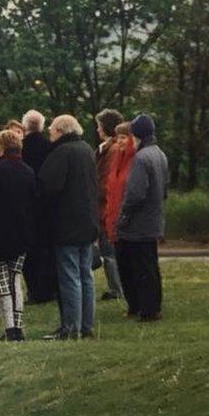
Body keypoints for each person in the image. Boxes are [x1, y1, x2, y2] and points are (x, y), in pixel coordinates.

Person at [38, 115, 100, 340]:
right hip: (88, 221)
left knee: (69, 276)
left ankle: (71, 327)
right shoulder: (86, 149)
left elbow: (49, 187)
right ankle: (86, 326)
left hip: (67, 223)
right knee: (86, 276)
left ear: (61, 131)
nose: (50, 135)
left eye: (52, 131)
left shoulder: (62, 153)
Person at [0, 130, 36, 341]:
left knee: (1, 282)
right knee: (15, 279)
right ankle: (19, 326)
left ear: (0, 148)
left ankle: (9, 328)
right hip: (22, 234)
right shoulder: (28, 172)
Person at [116, 114, 169, 322]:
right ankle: (153, 306)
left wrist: (125, 215)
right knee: (150, 265)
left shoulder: (141, 157)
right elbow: (164, 188)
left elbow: (135, 193)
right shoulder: (159, 154)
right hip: (154, 219)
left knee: (138, 267)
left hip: (138, 224)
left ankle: (146, 309)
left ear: (136, 135)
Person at [20, 109, 58, 305]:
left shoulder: (21, 147)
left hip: (27, 205)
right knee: (46, 249)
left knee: (30, 252)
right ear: (42, 126)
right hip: (46, 205)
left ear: (25, 125)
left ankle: (34, 290)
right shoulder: (49, 147)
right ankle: (48, 289)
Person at [94, 109, 127, 301]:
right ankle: (116, 287)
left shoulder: (111, 150)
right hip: (105, 205)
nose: (97, 129)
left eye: (99, 125)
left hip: (106, 207)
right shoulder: (109, 148)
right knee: (108, 250)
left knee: (109, 251)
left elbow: (106, 181)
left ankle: (117, 288)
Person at [103, 123, 136, 245]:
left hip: (128, 224)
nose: (119, 141)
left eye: (123, 137)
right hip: (115, 220)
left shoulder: (136, 161)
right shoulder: (116, 159)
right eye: (118, 137)